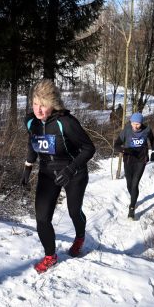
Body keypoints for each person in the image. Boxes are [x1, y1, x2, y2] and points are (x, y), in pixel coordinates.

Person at [20, 80, 96, 273]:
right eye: (35, 104)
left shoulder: (66, 123)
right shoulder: (31, 122)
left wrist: (70, 170)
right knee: (42, 218)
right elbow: (33, 144)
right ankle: (50, 255)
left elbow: (89, 148)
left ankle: (79, 237)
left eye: (43, 105)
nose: (38, 109)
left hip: (74, 173)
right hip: (47, 173)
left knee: (73, 211)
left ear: (53, 104)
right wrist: (27, 169)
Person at [114, 112, 154, 220]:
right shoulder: (127, 130)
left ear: (141, 123)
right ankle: (134, 197)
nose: (135, 126)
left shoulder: (146, 130)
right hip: (128, 159)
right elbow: (116, 144)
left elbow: (152, 140)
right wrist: (124, 149)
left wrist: (153, 152)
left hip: (141, 160)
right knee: (129, 185)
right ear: (131, 122)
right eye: (133, 123)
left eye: (137, 124)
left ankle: (131, 209)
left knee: (134, 184)